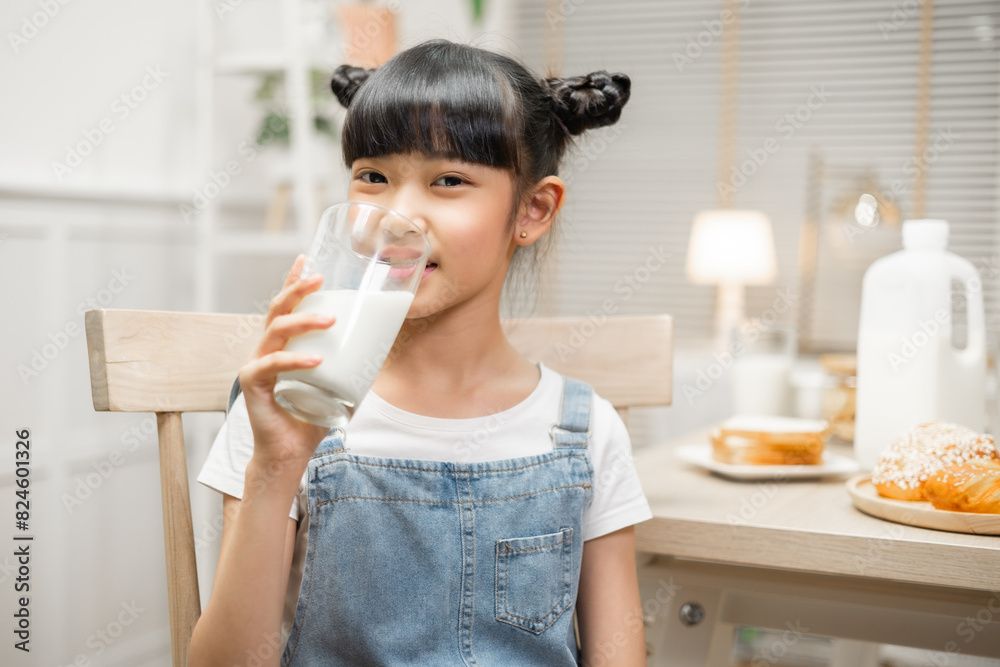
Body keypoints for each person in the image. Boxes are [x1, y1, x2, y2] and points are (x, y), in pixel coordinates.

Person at [190, 39, 650, 666]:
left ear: (533, 209)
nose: (398, 215)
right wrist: (275, 469)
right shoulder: (286, 411)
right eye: (373, 177)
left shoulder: (585, 430)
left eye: (449, 181)